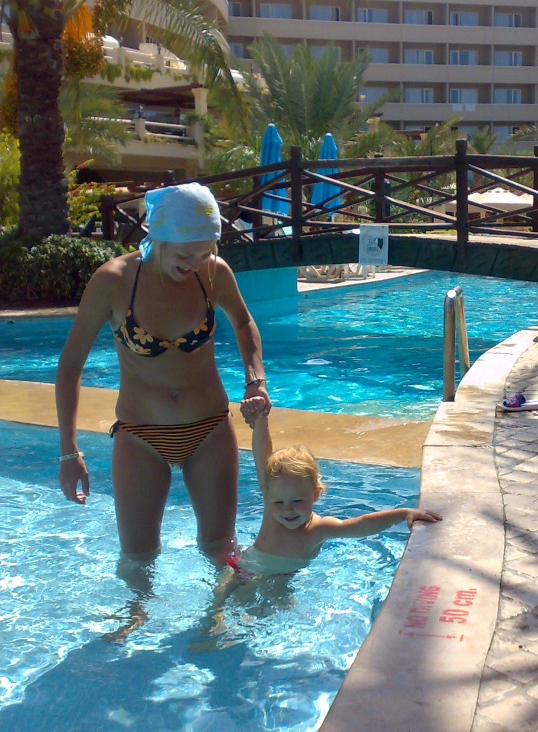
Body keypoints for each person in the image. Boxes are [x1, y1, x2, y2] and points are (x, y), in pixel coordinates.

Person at [56, 182, 269, 561]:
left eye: (205, 253)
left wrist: (255, 381)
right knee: (138, 557)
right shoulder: (113, 281)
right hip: (141, 436)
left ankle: (223, 603)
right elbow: (71, 364)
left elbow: (243, 322)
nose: (195, 263)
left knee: (221, 550)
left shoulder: (213, 273)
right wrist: (68, 452)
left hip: (210, 430)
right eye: (186, 253)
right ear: (157, 236)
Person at [228, 400, 442, 577]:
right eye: (278, 502)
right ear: (269, 495)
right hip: (245, 568)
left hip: (281, 579)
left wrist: (403, 513)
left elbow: (361, 526)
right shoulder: (272, 507)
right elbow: (262, 457)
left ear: (316, 494)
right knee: (219, 604)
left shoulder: (320, 529)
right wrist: (260, 419)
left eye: (297, 501)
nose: (287, 509)